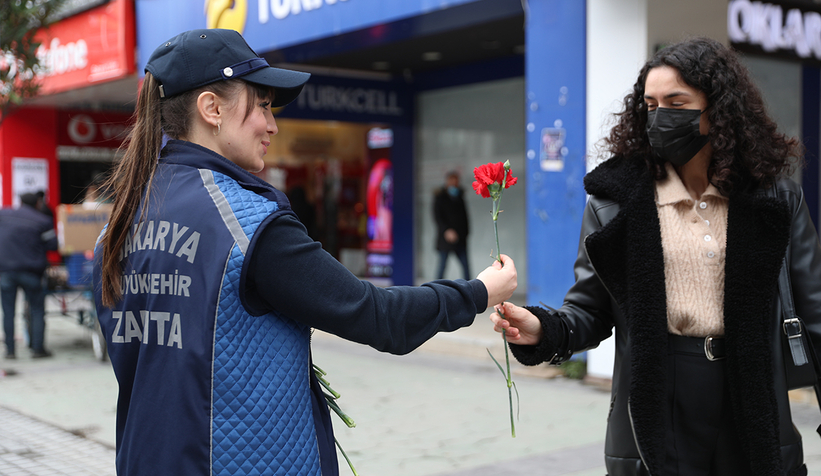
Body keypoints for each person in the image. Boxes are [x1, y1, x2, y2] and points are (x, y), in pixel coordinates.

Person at [93, 29, 517, 476]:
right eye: (262, 104)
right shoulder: (249, 224)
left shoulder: (119, 224)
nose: (272, 124)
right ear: (211, 109)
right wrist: (478, 292)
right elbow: (378, 317)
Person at [491, 37, 818, 476]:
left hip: (751, 387)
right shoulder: (615, 202)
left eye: (676, 102)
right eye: (650, 104)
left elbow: (816, 316)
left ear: (718, 109)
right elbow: (589, 308)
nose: (660, 116)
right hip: (661, 388)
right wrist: (541, 330)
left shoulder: (774, 197)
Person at [0, 193, 58, 359]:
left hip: (6, 273)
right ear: (38, 203)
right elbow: (53, 245)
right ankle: (37, 349)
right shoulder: (42, 221)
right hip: (32, 272)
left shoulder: (3, 214)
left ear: (20, 201)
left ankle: (10, 351)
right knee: (37, 310)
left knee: (8, 312)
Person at [433, 170, 470, 280]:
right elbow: (438, 217)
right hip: (446, 239)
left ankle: (469, 290)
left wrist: (465, 233)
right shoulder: (440, 198)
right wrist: (447, 231)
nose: (454, 184)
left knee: (465, 266)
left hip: (461, 238)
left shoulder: (460, 197)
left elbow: (465, 218)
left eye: (456, 182)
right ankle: (435, 289)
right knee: (442, 266)